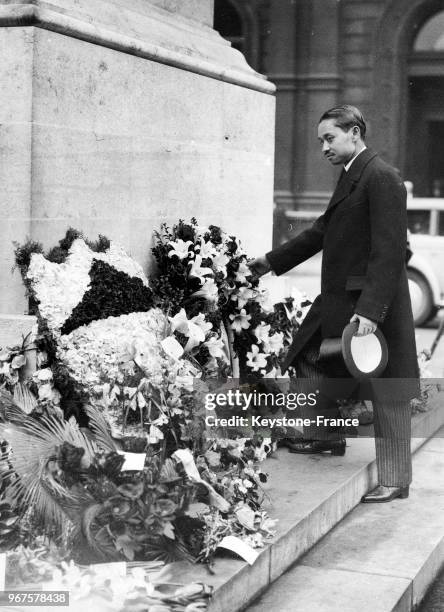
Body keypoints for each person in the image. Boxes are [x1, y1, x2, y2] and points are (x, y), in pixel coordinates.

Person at [249, 105, 420, 503]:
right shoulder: (352, 177)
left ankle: (396, 479)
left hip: (371, 305)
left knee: (388, 389)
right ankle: (325, 434)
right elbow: (322, 231)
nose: (323, 147)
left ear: (355, 133)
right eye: (321, 140)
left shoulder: (381, 177)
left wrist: (370, 311)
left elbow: (391, 251)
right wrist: (271, 262)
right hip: (342, 300)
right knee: (308, 353)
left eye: (330, 138)